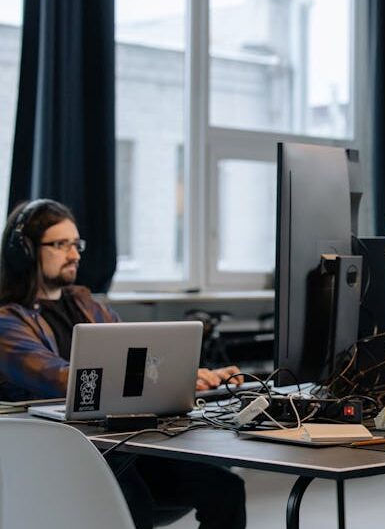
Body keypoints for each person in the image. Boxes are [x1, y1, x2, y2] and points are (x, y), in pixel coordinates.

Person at [0, 199, 247, 529]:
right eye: (60, 245)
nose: (74, 255)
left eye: (76, 244)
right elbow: (64, 380)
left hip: (117, 444)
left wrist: (187, 377)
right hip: (61, 453)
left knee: (225, 488)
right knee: (130, 507)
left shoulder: (86, 304)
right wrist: (154, 376)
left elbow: (137, 360)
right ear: (25, 252)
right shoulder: (6, 321)